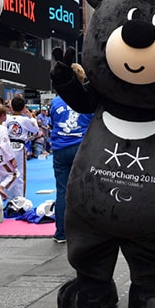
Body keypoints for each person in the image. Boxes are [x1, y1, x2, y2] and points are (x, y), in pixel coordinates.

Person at [49, 63, 93, 244]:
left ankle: (61, 232)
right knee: (87, 189)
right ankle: (86, 231)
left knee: (62, 191)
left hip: (60, 148)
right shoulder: (87, 98)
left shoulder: (55, 102)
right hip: (82, 146)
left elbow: (53, 122)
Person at [5, 96, 39, 199]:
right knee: (20, 173)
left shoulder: (6, 119)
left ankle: (10, 198)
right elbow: (35, 129)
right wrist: (32, 117)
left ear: (11, 107)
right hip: (19, 147)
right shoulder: (25, 120)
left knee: (10, 173)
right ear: (24, 107)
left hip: (7, 147)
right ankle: (20, 199)